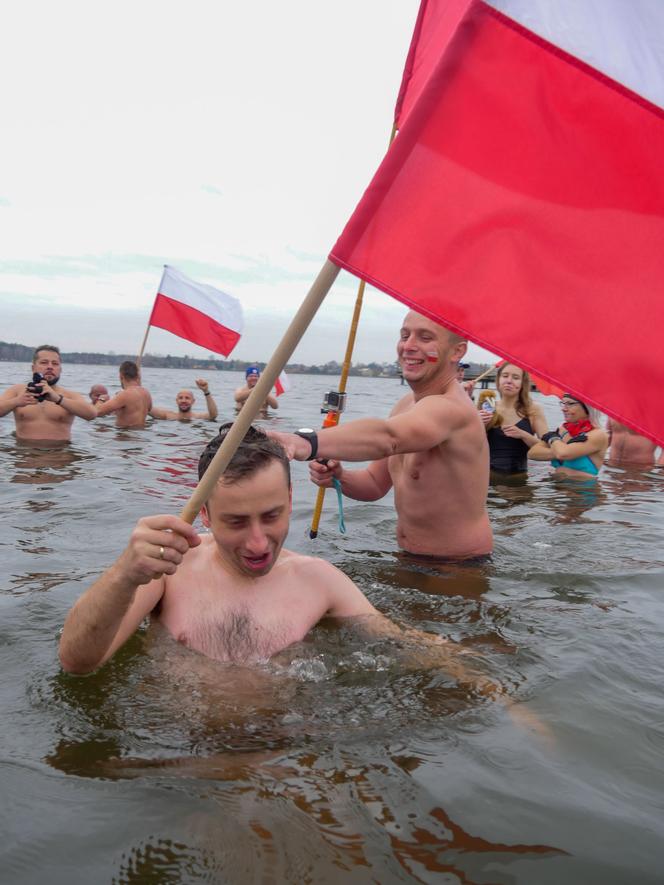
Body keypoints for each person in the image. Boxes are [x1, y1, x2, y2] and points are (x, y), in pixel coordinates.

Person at [58, 425, 484, 687]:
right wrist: (123, 575)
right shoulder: (167, 570)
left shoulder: (319, 581)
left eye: (273, 516)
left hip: (285, 756)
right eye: (237, 522)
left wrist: (496, 688)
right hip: (179, 762)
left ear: (290, 497)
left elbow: (404, 642)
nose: (259, 543)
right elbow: (77, 664)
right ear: (204, 513)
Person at [270, 310, 493, 561]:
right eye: (405, 335)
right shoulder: (406, 404)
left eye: (425, 338)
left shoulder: (452, 408)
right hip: (406, 557)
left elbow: (388, 437)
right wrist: (339, 477)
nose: (408, 346)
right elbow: (375, 484)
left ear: (457, 352)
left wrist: (305, 442)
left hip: (459, 567)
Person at [0, 345, 96, 442]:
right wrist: (16, 402)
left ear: (60, 369)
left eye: (55, 364)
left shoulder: (69, 395)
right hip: (24, 452)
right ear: (33, 368)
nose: (50, 367)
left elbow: (91, 414)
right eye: (44, 363)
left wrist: (58, 399)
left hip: (59, 453)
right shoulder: (17, 391)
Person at [479, 362, 547, 475]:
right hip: (486, 477)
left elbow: (547, 447)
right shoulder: (487, 407)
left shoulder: (533, 410)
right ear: (498, 380)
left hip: (517, 480)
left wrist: (523, 435)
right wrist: (478, 425)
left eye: (515, 377)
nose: (509, 381)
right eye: (505, 376)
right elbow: (468, 446)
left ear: (522, 384)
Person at [528, 394, 608, 480]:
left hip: (585, 490)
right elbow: (532, 453)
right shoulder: (563, 430)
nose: (564, 409)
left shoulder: (598, 434)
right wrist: (559, 450)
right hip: (556, 490)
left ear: (587, 406)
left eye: (570, 404)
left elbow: (563, 454)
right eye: (563, 403)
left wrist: (553, 439)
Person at [93, 361, 153, 428]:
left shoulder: (125, 394)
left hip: (125, 435)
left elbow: (96, 412)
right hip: (140, 436)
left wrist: (101, 399)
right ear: (137, 376)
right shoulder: (146, 393)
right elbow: (149, 409)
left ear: (121, 376)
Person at [150, 379, 218, 421]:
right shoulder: (168, 416)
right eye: (180, 398)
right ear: (176, 401)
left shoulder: (198, 417)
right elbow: (146, 407)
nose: (183, 401)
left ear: (193, 401)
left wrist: (206, 391)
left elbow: (213, 415)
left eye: (187, 398)